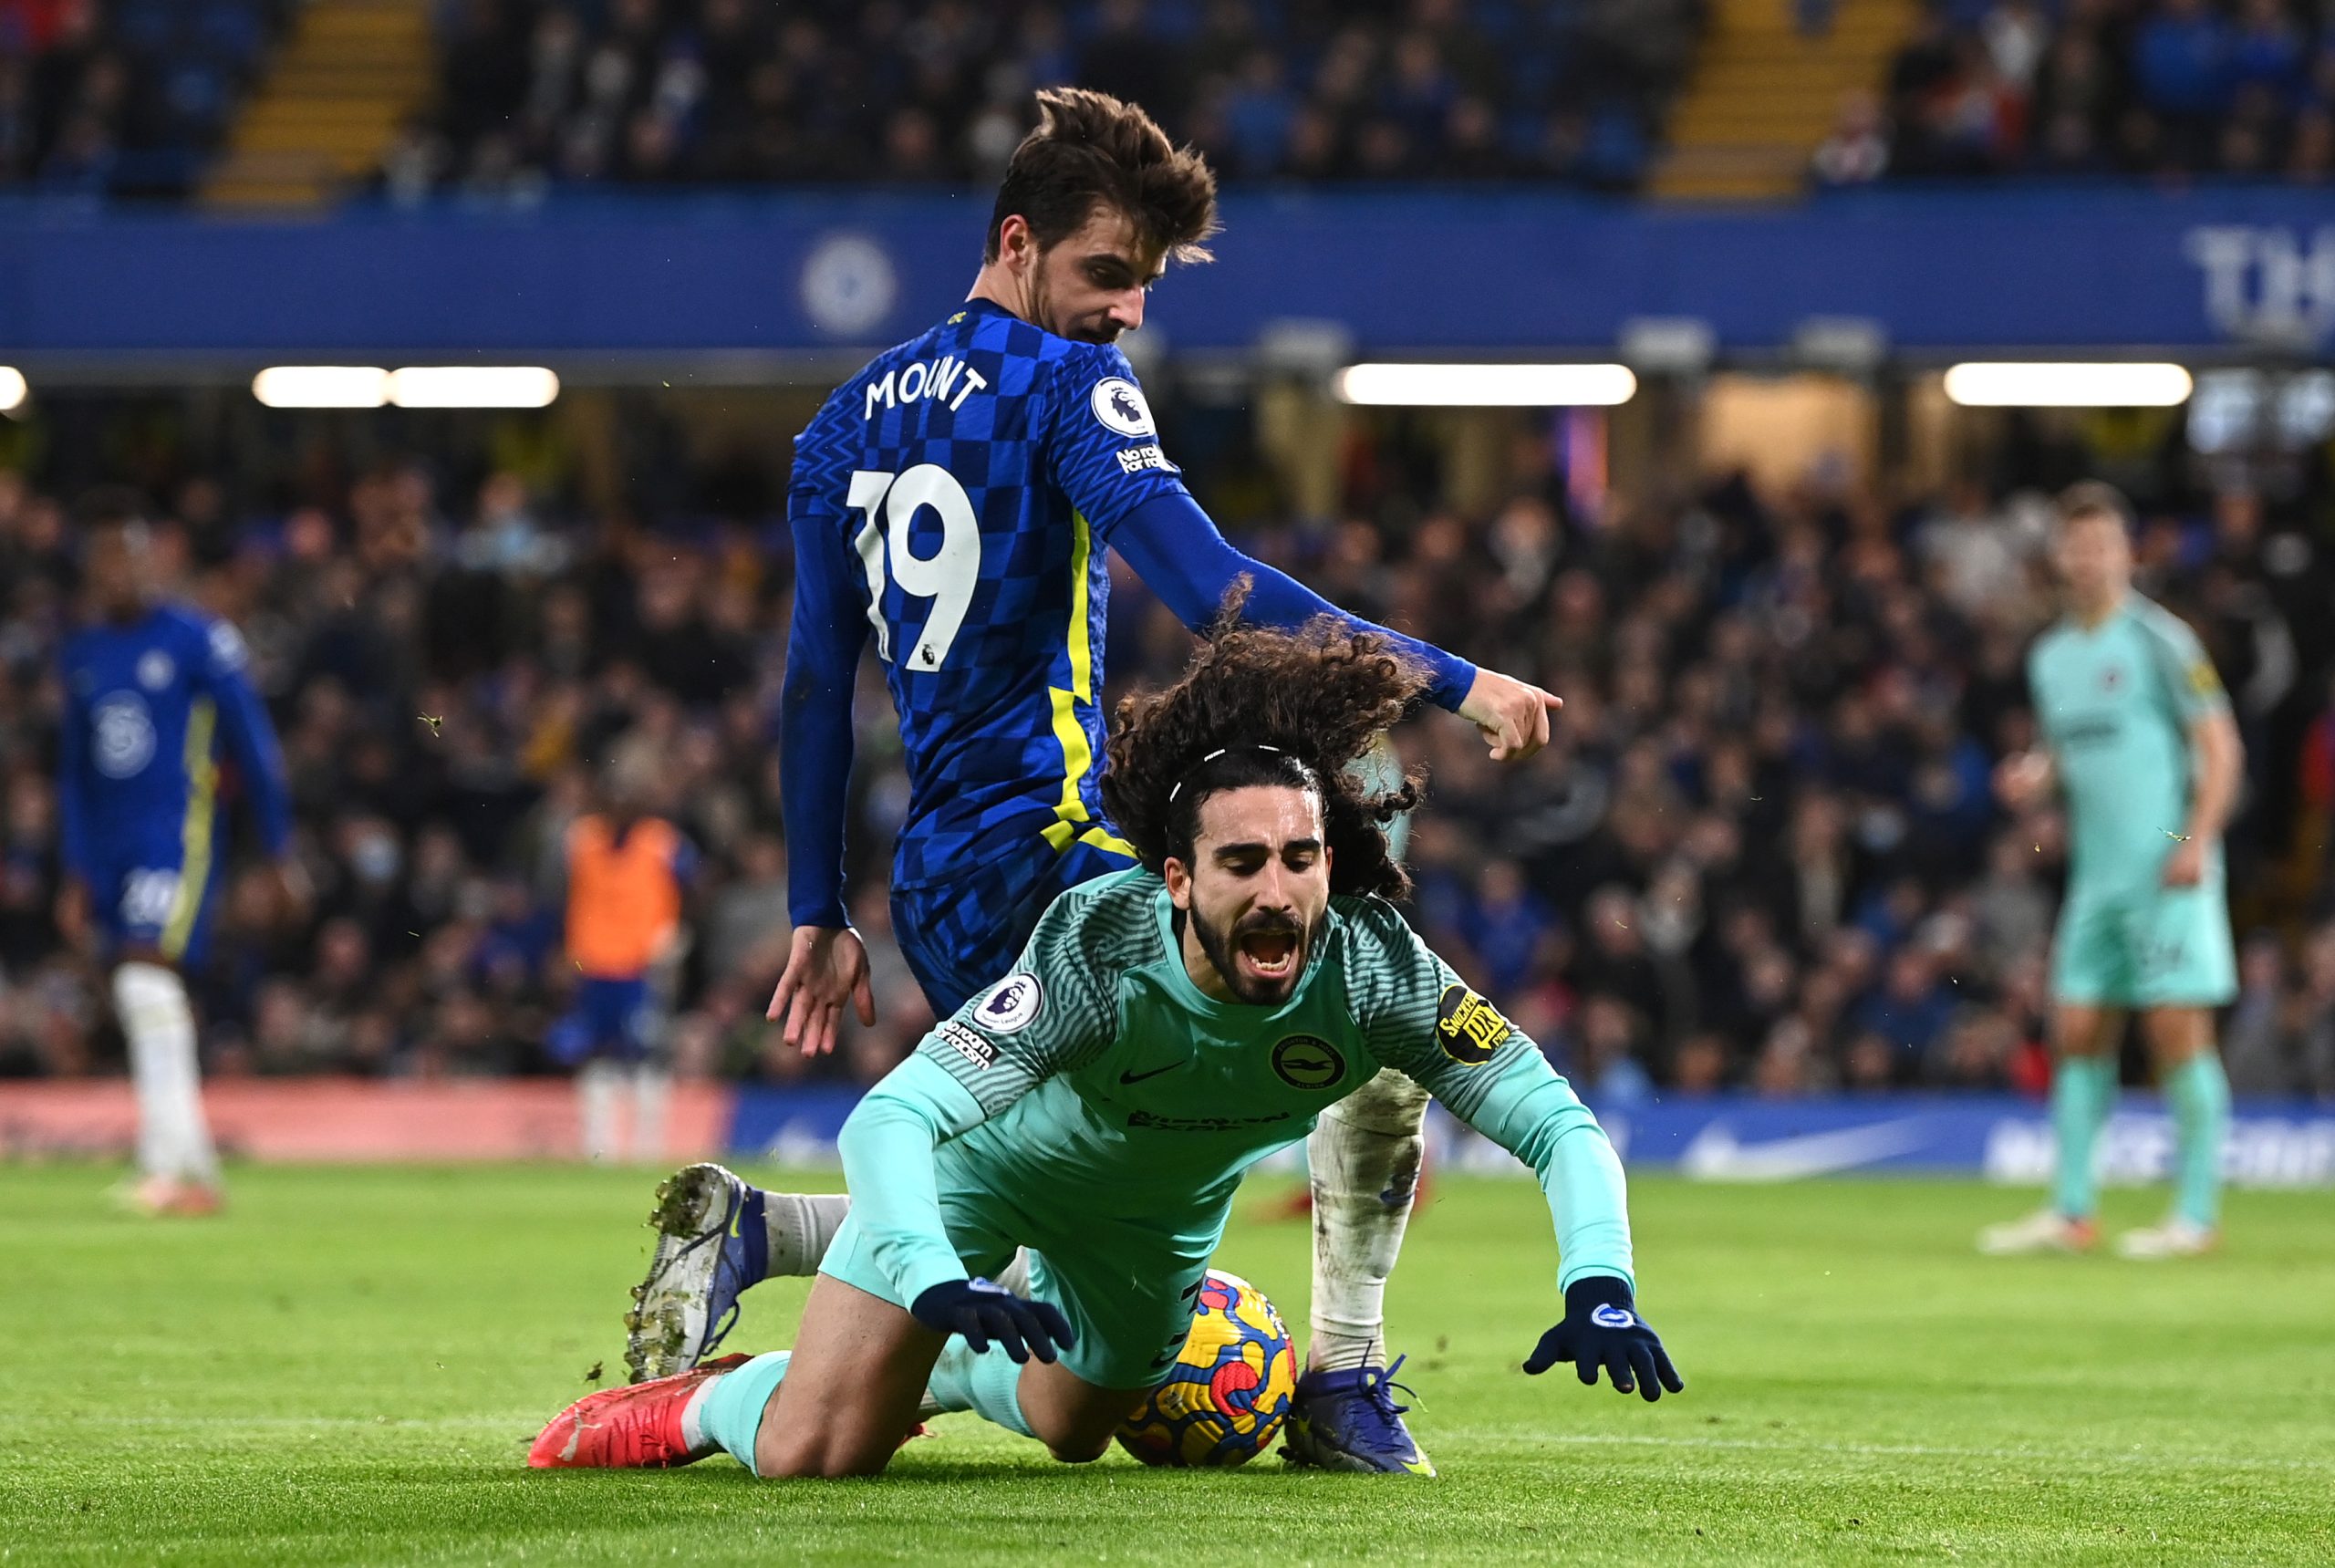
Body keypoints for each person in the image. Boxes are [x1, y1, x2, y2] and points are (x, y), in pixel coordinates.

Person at [636, 87, 1562, 1474]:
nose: (1128, 311)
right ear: (1017, 243)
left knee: (1063, 1232)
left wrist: (818, 908)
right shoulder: (1067, 386)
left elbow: (819, 688)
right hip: (1063, 847)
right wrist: (1450, 676)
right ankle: (1345, 1374)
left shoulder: (838, 428)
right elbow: (1219, 591)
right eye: (1106, 275)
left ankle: (770, 1238)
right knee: (1366, 993)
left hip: (939, 887)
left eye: (1142, 285)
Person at [535, 615, 1680, 1478]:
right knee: (811, 1454)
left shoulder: (1375, 967)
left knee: (1070, 1430)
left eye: (1299, 858)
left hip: (1151, 1233)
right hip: (988, 1182)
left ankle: (928, 1360)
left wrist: (1601, 1284)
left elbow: (1556, 1124)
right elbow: (890, 1119)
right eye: (1242, 865)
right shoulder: (1100, 948)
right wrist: (935, 1273)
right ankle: (695, 1407)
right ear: (1178, 878)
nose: (1278, 891)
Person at [1980, 483, 2242, 1261]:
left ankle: (2195, 1214)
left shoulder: (2163, 641)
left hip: (2168, 870)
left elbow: (2221, 746)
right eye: (2076, 544)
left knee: (2174, 1032)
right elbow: (2069, 747)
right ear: (2060, 556)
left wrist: (2198, 838)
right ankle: (2073, 1210)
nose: (2089, 558)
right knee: (2076, 1030)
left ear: (2127, 552)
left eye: (2103, 544)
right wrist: (2035, 773)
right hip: (2097, 880)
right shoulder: (2051, 657)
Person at [54, 487, 297, 1216]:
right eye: (102, 560)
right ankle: (191, 1165)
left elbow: (254, 745)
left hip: (179, 835)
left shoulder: (197, 639)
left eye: (126, 555)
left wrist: (279, 849)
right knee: (144, 992)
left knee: (142, 979)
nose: (116, 572)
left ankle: (166, 1163)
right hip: (111, 849)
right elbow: (74, 775)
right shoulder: (85, 655)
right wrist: (75, 870)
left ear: (151, 560)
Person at [550, 753, 696, 1162]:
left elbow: (695, 887)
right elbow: (562, 895)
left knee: (646, 1054)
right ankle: (599, 1147)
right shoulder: (581, 839)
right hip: (593, 965)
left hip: (642, 967)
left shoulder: (663, 841)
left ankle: (649, 1147)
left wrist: (674, 937)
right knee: (596, 1054)